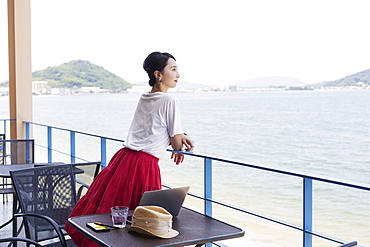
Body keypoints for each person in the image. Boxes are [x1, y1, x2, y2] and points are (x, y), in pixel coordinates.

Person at [64, 51, 195, 247]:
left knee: (115, 216)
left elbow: (153, 128)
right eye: (173, 69)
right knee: (145, 221)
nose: (178, 74)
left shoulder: (145, 97)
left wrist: (178, 134)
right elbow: (176, 145)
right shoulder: (170, 100)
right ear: (158, 74)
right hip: (144, 165)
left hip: (123, 159)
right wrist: (179, 137)